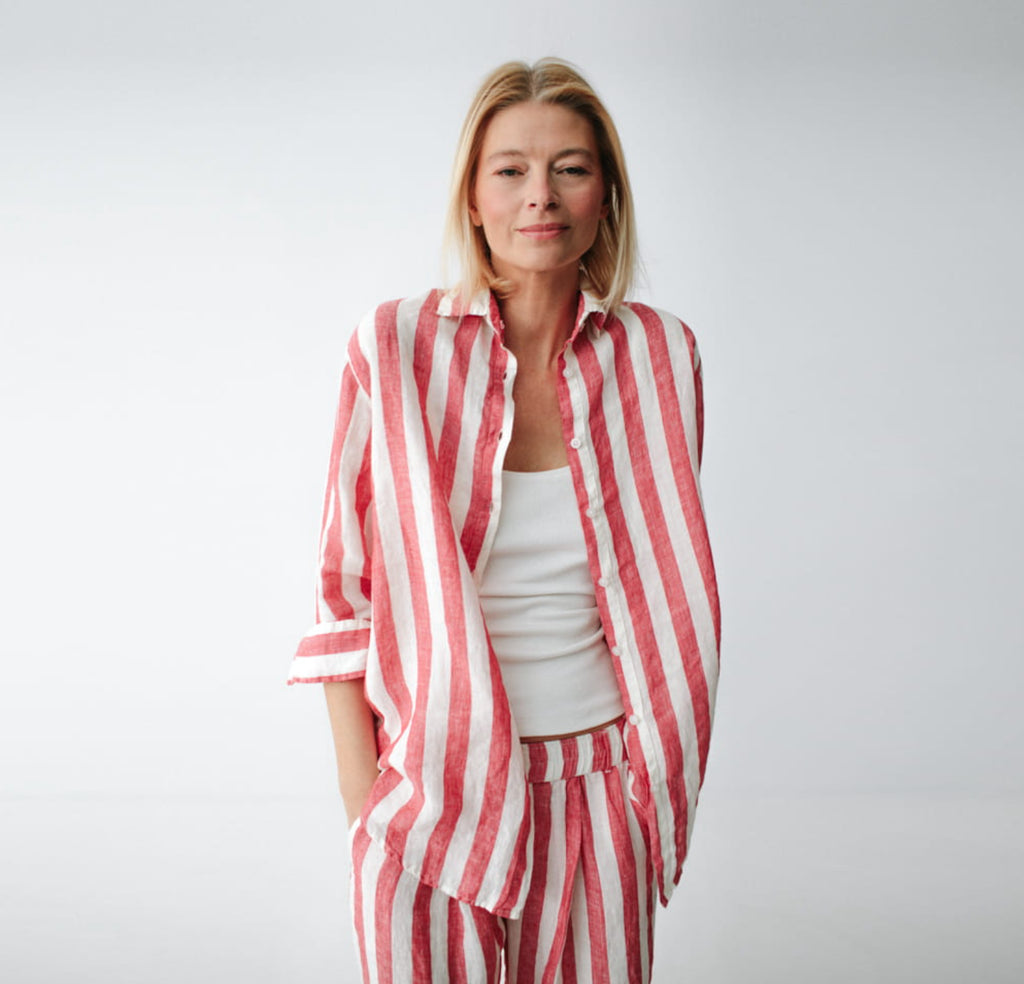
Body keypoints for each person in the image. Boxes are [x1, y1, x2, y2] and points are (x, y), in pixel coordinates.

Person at [289, 57, 721, 984]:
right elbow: (344, 594)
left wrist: (637, 802)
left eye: (571, 168)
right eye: (511, 170)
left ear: (607, 195)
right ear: (473, 199)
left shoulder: (661, 357)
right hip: (428, 794)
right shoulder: (393, 348)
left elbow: (660, 585)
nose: (541, 196)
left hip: (599, 791)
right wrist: (366, 804)